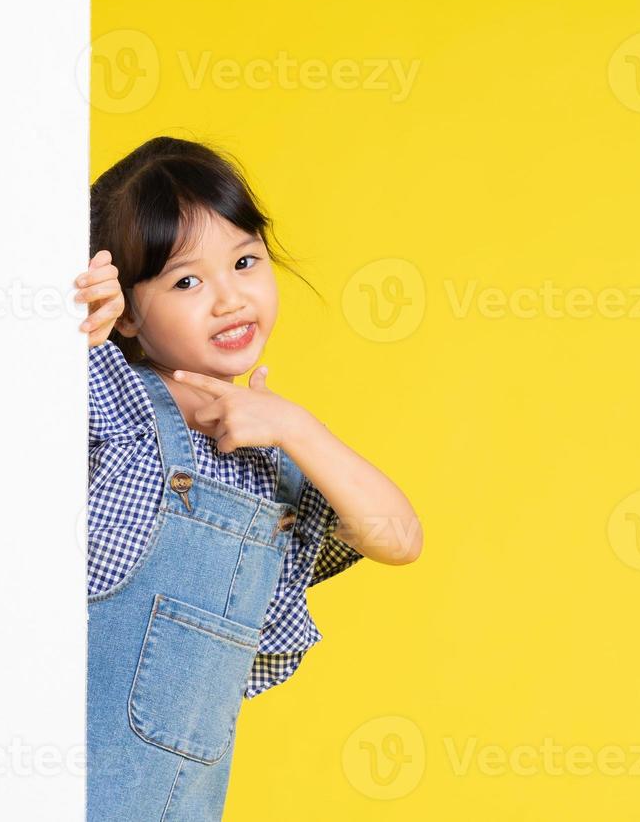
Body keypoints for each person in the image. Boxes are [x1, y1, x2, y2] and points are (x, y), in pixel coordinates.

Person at [76, 136, 422, 820]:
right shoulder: (111, 396)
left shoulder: (276, 463)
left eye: (244, 261)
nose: (229, 298)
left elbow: (399, 537)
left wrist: (297, 427)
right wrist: (81, 318)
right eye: (186, 281)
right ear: (131, 313)